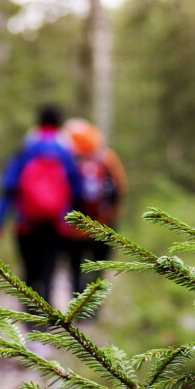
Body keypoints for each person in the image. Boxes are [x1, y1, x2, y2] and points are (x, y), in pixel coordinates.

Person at [0, 105, 82, 304]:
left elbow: (9, 187)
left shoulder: (26, 149)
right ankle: (45, 315)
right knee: (49, 269)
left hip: (26, 223)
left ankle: (30, 316)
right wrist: (77, 220)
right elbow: (77, 191)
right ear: (59, 123)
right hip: (58, 224)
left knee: (30, 270)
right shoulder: (66, 151)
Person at [61, 118, 128, 294]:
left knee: (75, 268)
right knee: (99, 269)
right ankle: (94, 308)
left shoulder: (68, 159)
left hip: (75, 227)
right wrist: (113, 218)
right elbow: (120, 188)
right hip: (102, 225)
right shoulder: (108, 158)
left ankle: (77, 305)